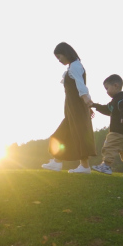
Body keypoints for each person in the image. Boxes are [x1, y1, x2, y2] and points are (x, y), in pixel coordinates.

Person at [41, 42, 96, 174]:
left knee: (80, 134)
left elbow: (80, 84)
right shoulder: (72, 66)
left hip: (76, 107)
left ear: (66, 53)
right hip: (72, 108)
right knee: (62, 135)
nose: (59, 60)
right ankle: (57, 162)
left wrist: (86, 101)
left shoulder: (75, 66)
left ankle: (84, 166)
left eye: (59, 56)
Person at [90, 74, 123, 177]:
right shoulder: (117, 100)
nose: (106, 91)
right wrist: (95, 105)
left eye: (107, 88)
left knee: (109, 146)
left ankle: (106, 166)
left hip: (119, 131)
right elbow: (107, 109)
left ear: (115, 85)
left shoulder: (121, 99)